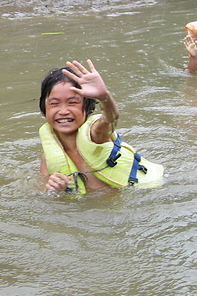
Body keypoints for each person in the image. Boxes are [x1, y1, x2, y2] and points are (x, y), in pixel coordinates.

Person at [39, 59, 164, 194]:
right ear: (44, 108)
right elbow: (41, 188)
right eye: (54, 103)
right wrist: (51, 187)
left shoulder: (95, 135)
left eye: (72, 102)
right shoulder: (49, 156)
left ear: (87, 107)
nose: (63, 111)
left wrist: (104, 97)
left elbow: (111, 118)